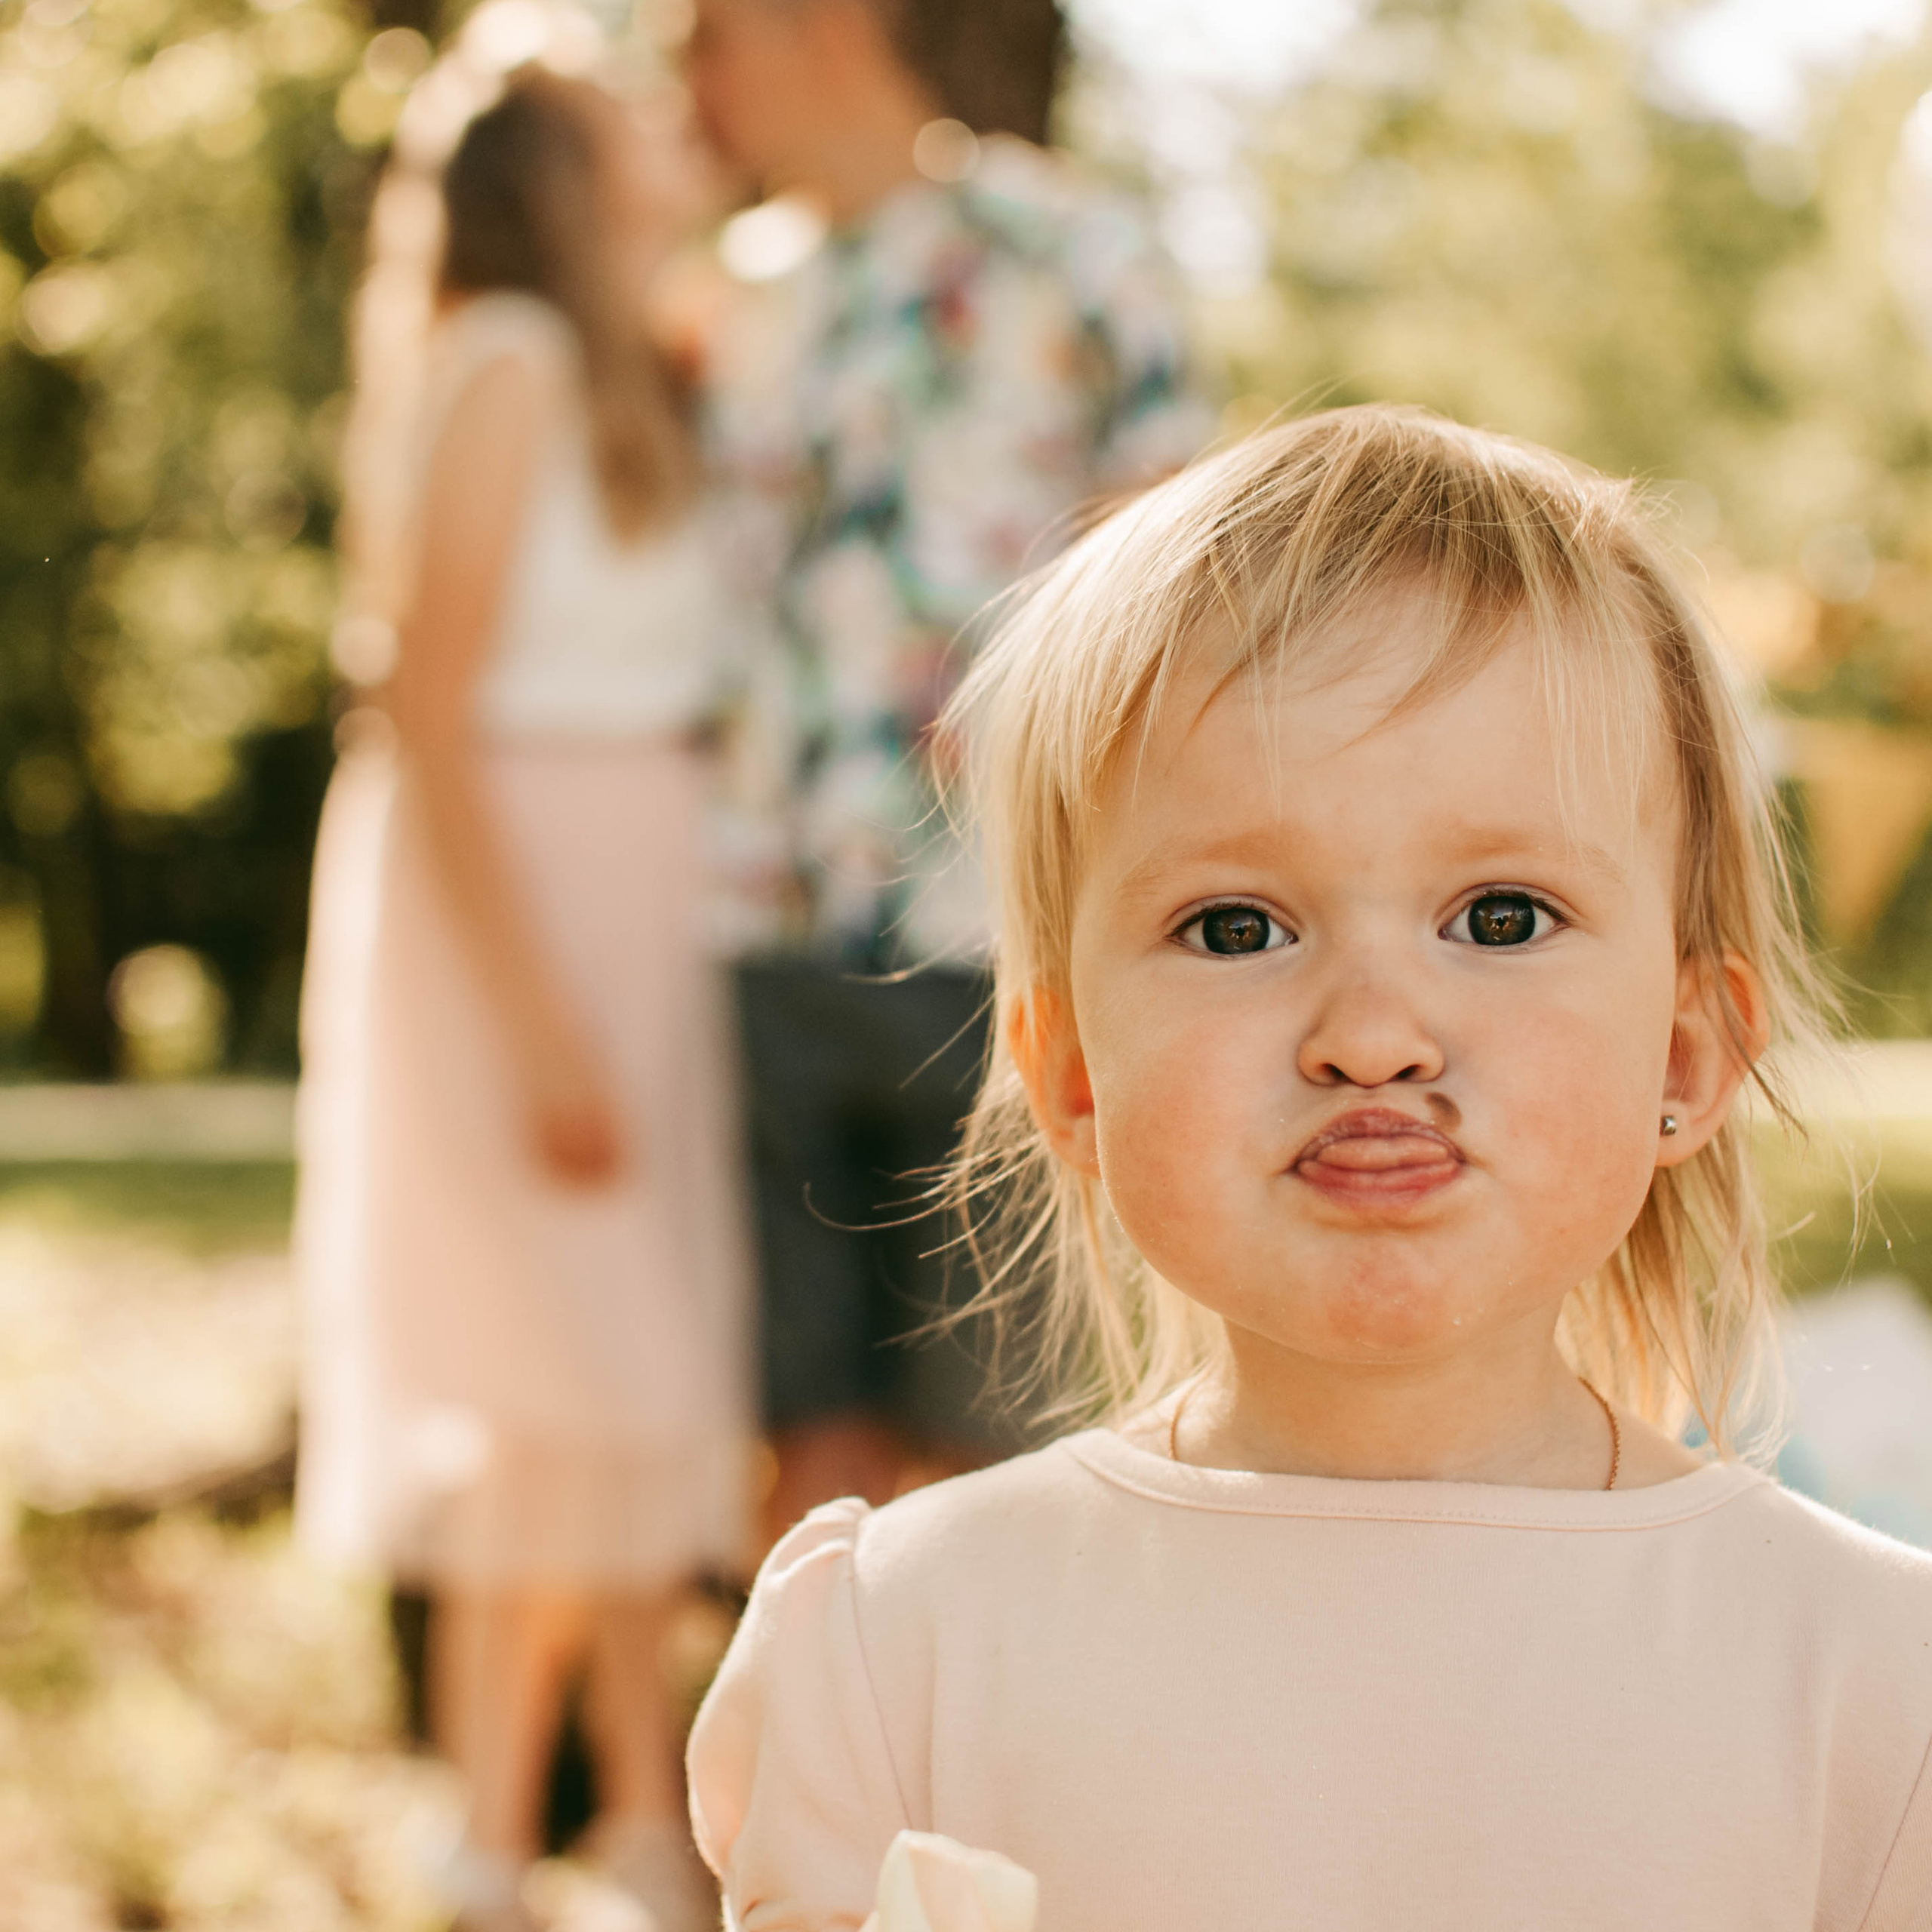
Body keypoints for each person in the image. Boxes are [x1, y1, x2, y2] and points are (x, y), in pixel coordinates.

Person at [685, 408, 1932, 1930]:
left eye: (1496, 916)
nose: (1370, 1033)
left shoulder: (1869, 1687)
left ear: (1681, 1060)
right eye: (1235, 927)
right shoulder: (901, 1648)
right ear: (1072, 1069)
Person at [294, 64, 746, 1932]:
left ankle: (626, 1816)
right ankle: (502, 1834)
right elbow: (430, 700)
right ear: (552, 170)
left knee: (623, 1377)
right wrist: (543, 1024)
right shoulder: (504, 367)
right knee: (552, 1369)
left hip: (635, 877)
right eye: (620, 108)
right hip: (519, 904)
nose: (668, 114)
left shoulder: (639, 362)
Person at [682, 0, 1211, 1533]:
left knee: (999, 1422)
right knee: (800, 1419)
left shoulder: (1079, 249)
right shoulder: (720, 299)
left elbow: (1177, 554)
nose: (692, 83)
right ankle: (822, 1770)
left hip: (997, 927)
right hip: (762, 919)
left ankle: (990, 1775)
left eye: (712, 38)